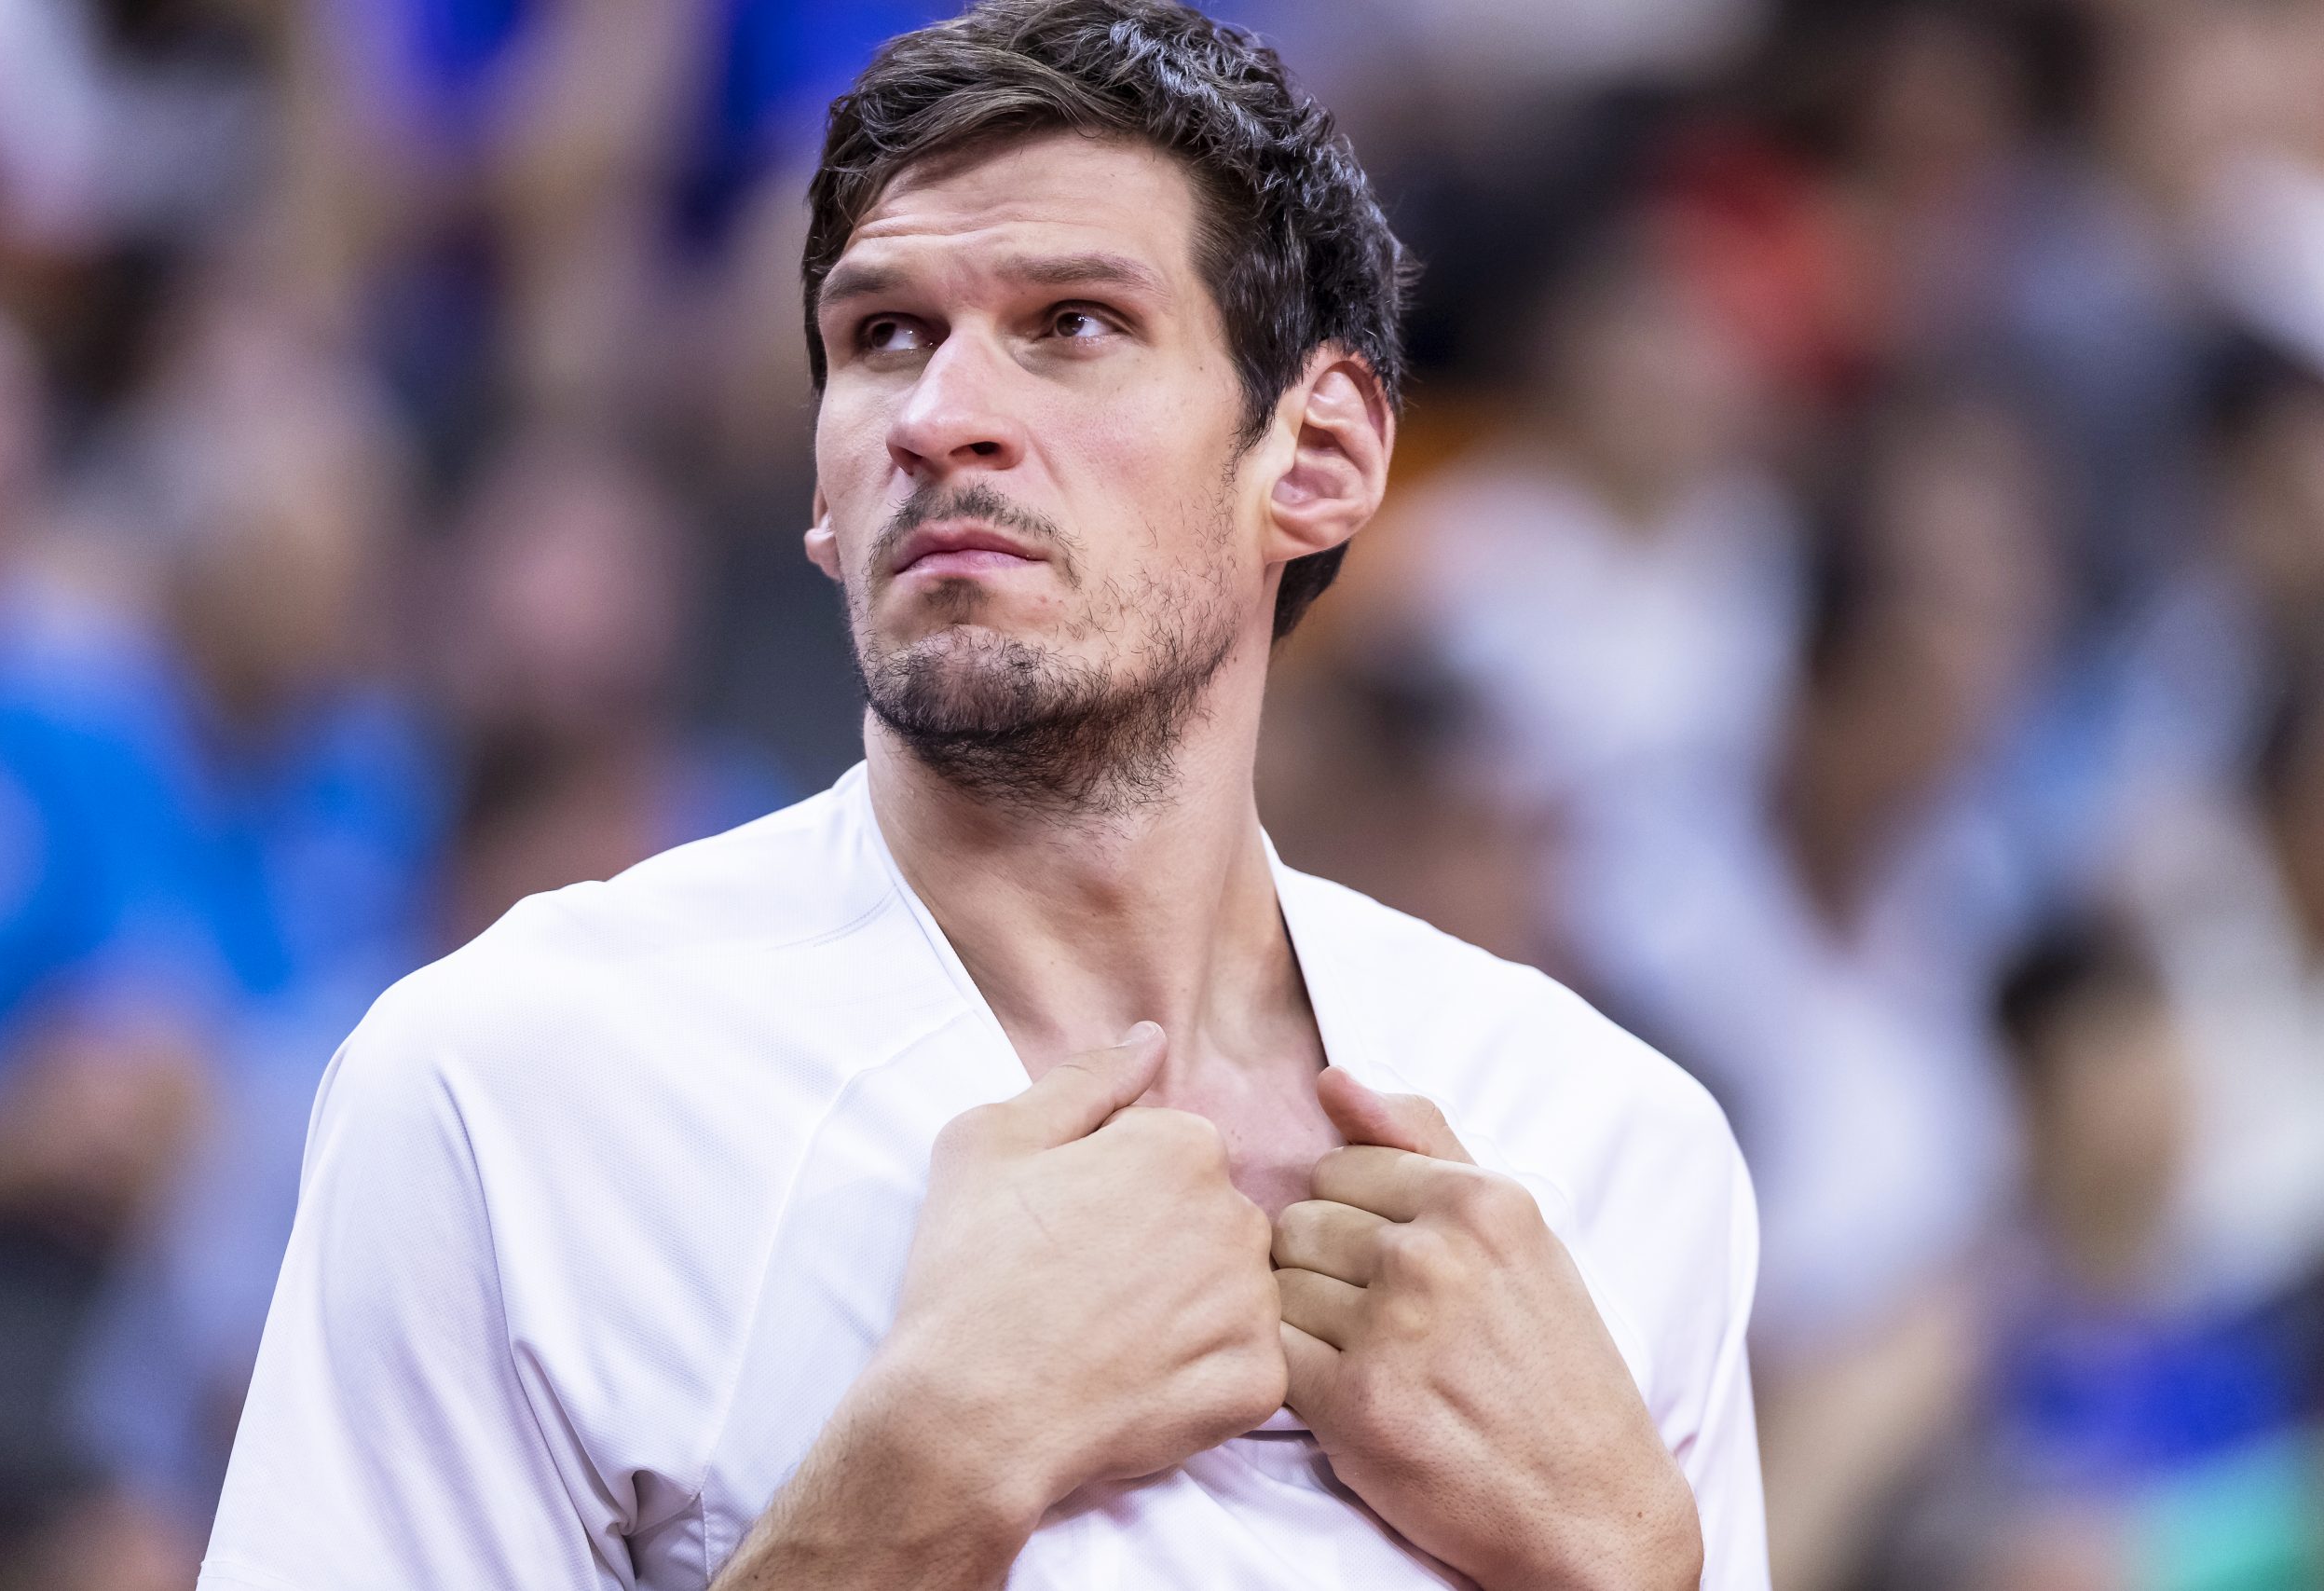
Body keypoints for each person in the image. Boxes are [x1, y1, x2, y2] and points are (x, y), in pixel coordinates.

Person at [199, 4, 1765, 1587]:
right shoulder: (508, 1086)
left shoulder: (1617, 1150)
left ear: (1319, 456)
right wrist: (921, 1475)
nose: (940, 415)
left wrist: (1632, 1558)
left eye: (1073, 323)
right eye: (882, 337)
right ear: (823, 489)